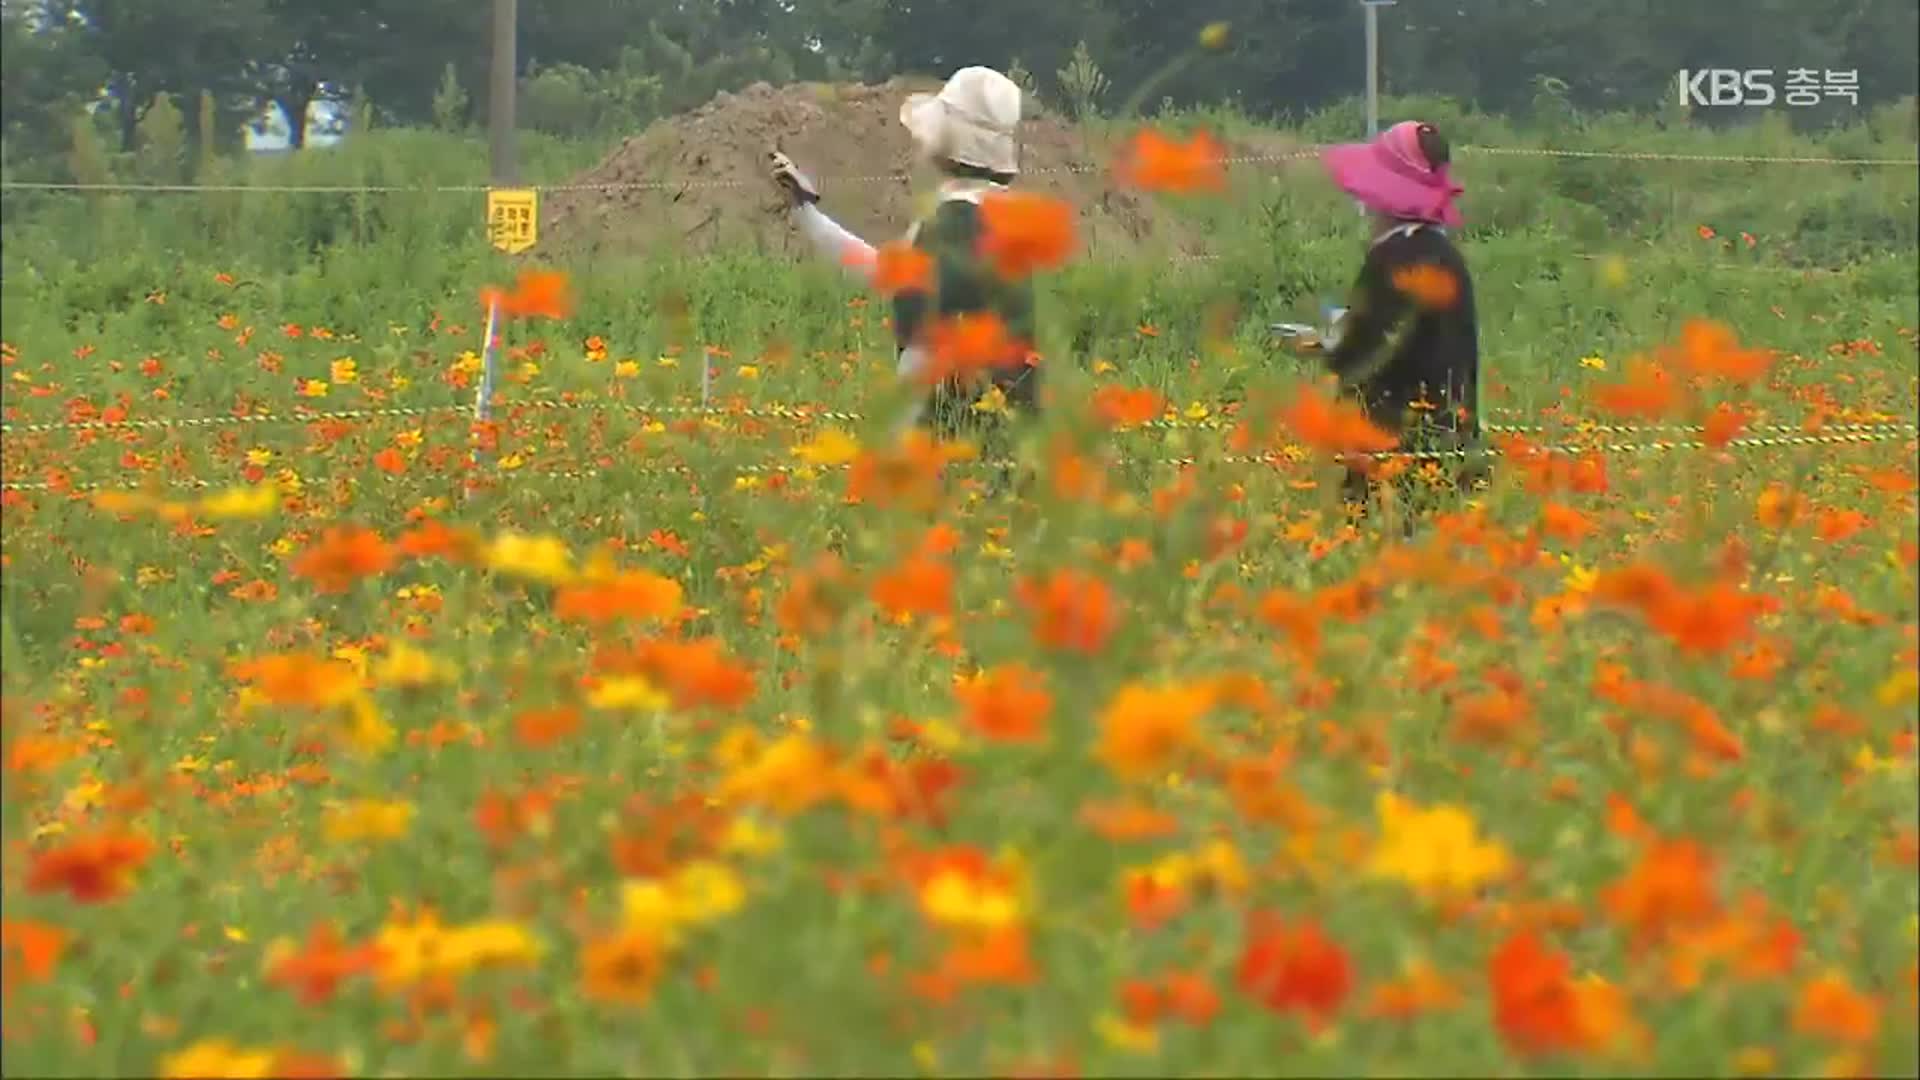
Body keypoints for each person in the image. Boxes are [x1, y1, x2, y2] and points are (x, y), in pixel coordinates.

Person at [768, 67, 1039, 442]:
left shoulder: (953, 222)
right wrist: (806, 210)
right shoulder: (1003, 217)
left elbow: (921, 342)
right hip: (1011, 439)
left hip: (951, 445)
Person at [1317, 120, 1484, 523]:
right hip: (1448, 443)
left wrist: (1328, 343)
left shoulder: (1390, 259)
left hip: (1390, 451)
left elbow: (1361, 351)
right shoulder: (1448, 258)